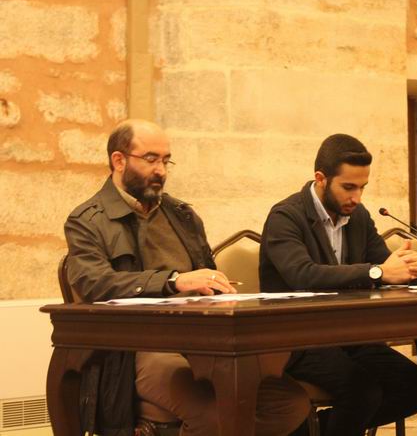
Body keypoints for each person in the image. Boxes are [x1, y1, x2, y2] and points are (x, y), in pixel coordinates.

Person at [64, 119, 310, 436]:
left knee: (290, 403)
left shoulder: (182, 215)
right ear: (119, 160)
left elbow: (206, 275)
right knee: (216, 414)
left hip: (204, 341)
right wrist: (173, 280)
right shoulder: (87, 220)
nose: (161, 170)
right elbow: (95, 283)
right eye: (150, 159)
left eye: (166, 160)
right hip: (137, 350)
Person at [259, 134, 417, 436]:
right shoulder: (285, 216)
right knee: (362, 391)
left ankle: (318, 430)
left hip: (347, 334)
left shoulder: (358, 216)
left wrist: (407, 265)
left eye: (363, 187)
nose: (357, 197)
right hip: (296, 339)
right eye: (349, 187)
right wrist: (379, 272)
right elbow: (303, 275)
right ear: (321, 179)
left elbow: (383, 262)